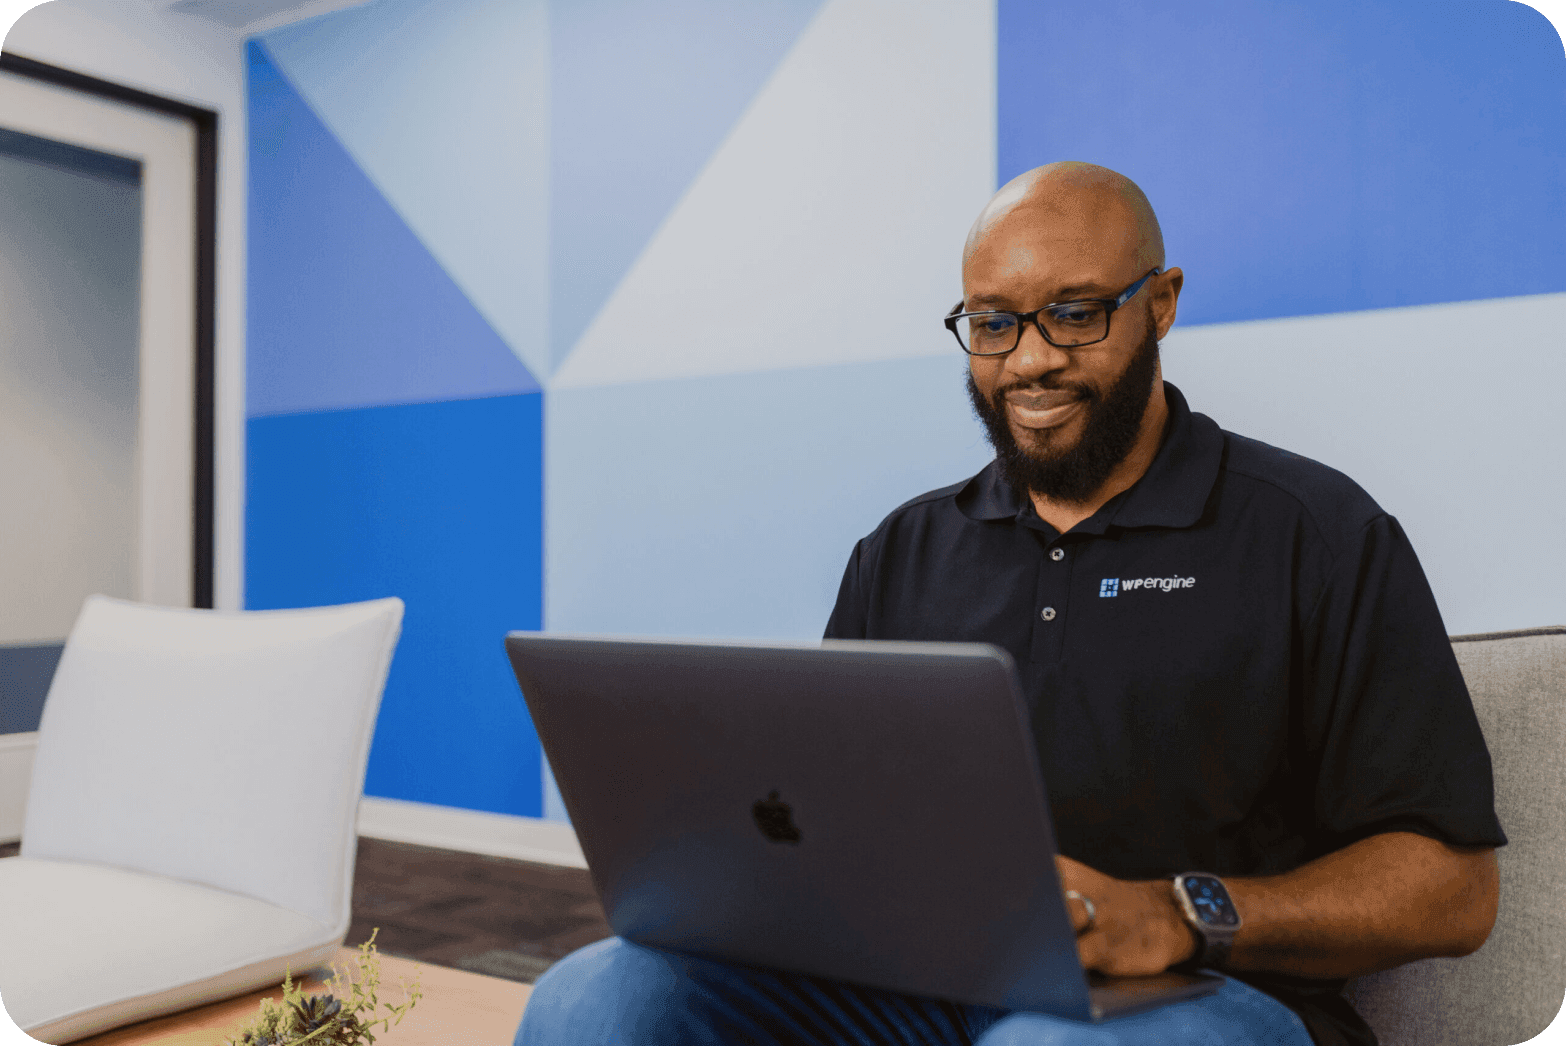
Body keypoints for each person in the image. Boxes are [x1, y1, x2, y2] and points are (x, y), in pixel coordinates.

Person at [514, 162, 1507, 1046]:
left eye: (1076, 312)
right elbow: (825, 820)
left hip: (1197, 997)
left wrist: (1180, 911)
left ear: (1160, 303)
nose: (1030, 360)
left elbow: (1455, 889)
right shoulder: (905, 547)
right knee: (592, 1003)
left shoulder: (1315, 531)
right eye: (993, 323)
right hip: (908, 987)